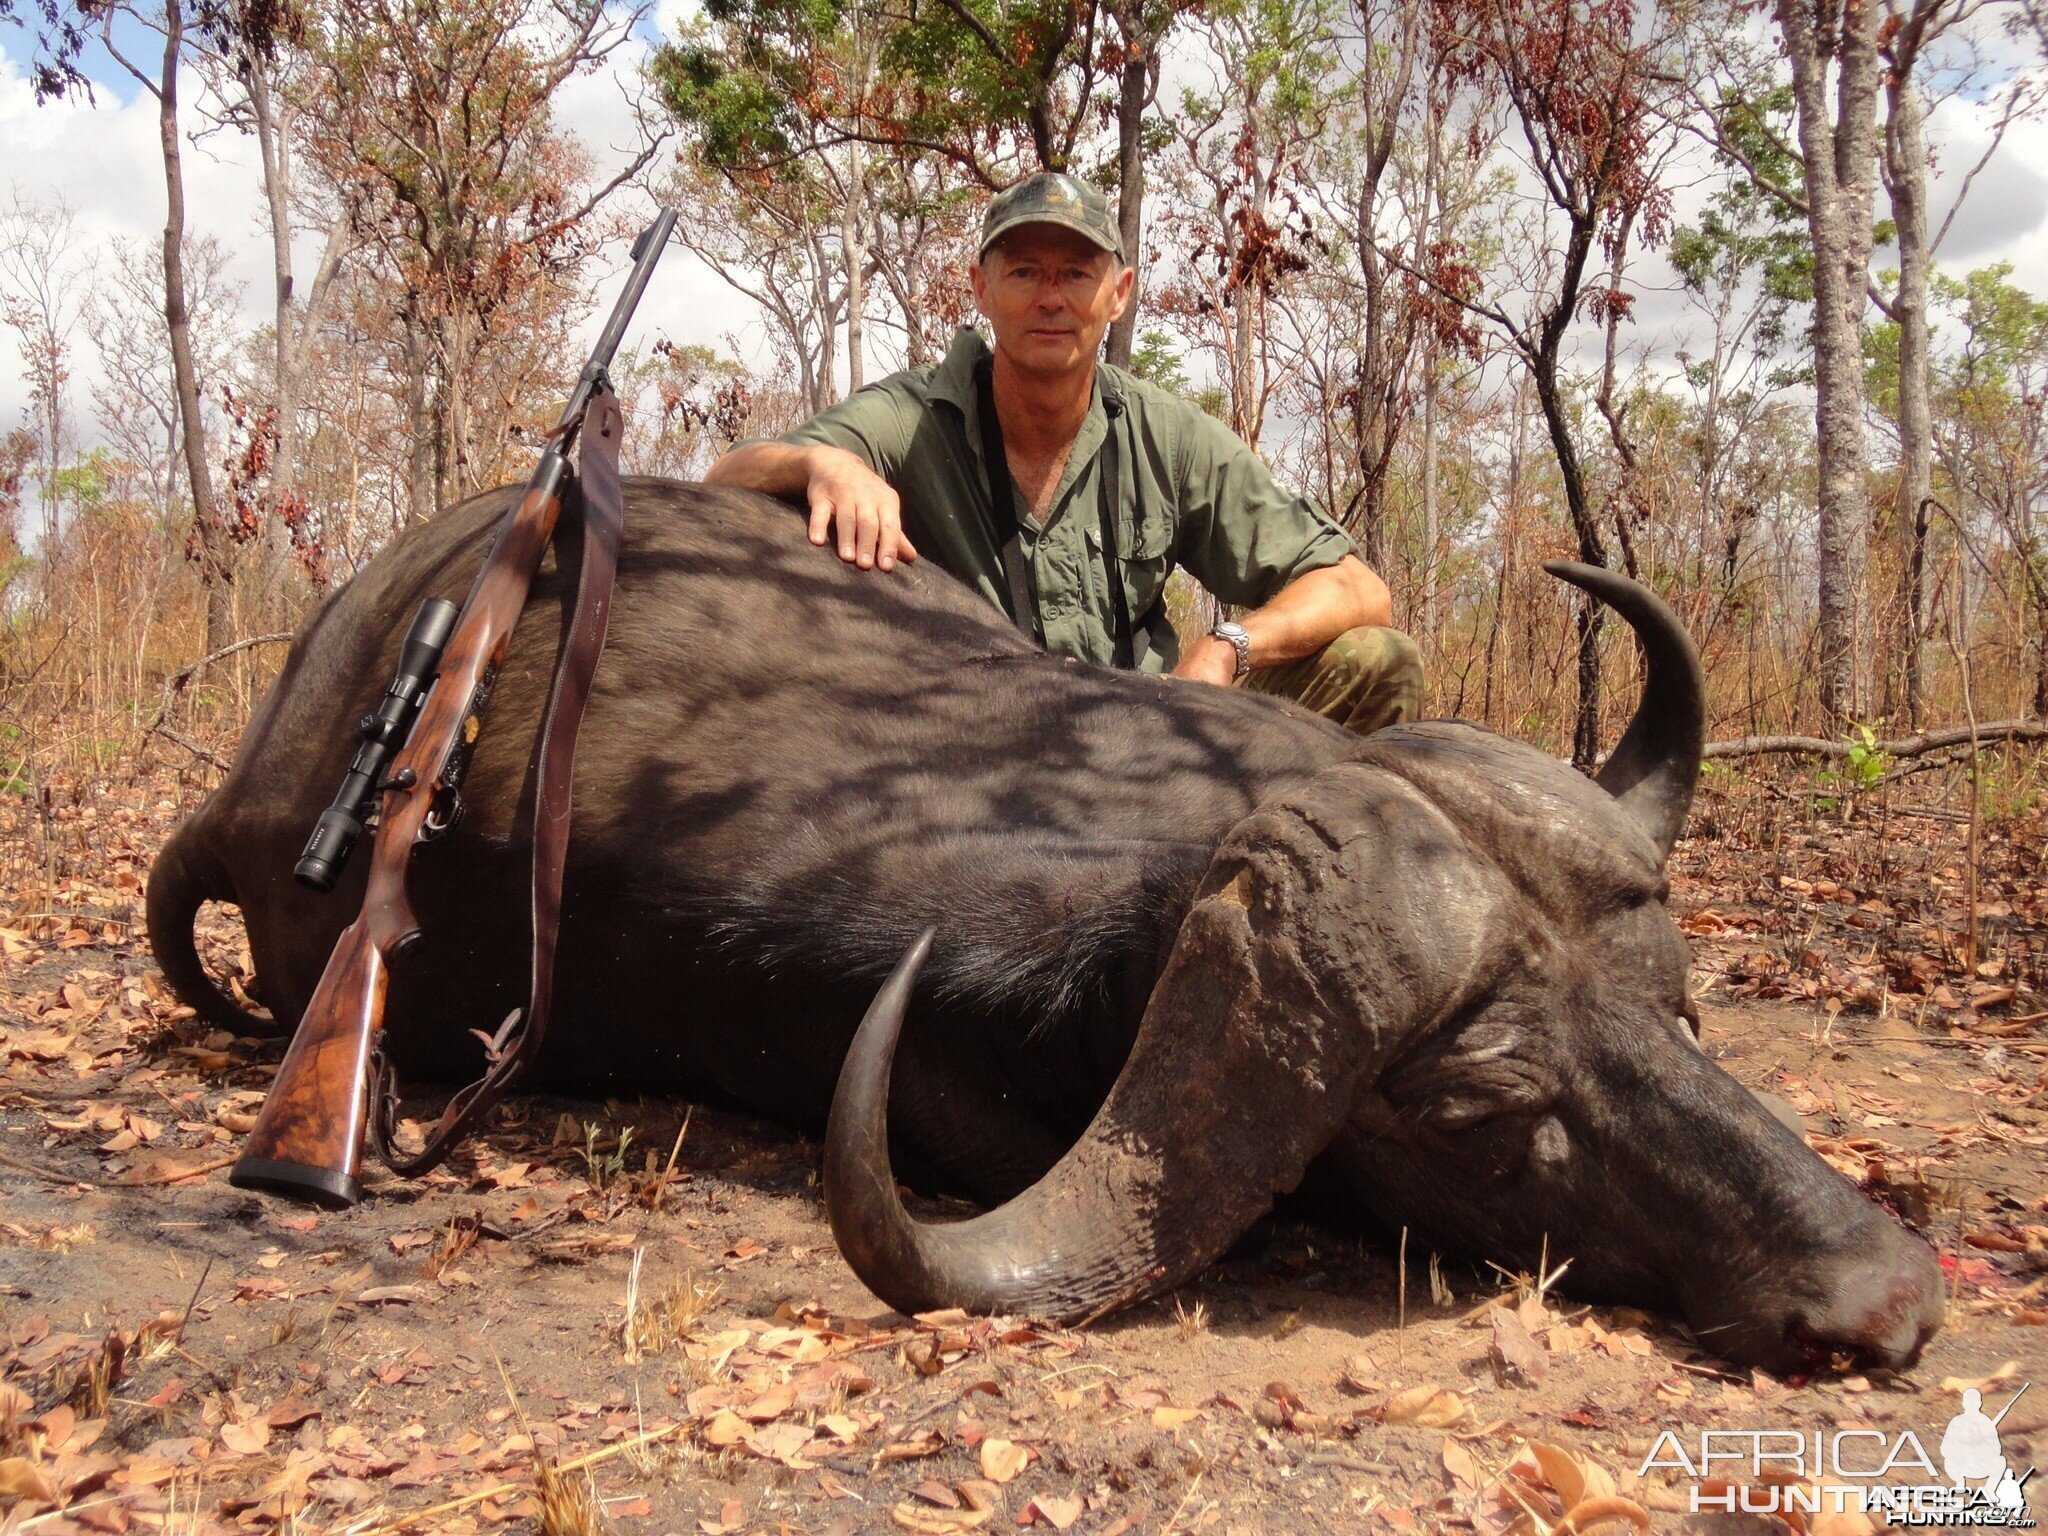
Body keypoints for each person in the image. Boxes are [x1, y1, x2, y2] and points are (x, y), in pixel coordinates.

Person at [705, 171, 1423, 736]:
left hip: (1150, 740)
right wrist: (821, 464)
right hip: (967, 752)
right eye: (1024, 273)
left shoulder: (1165, 433)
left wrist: (1231, 645)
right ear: (981, 289)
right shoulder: (913, 417)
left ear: (1118, 294)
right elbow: (725, 479)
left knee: (1378, 662)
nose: (1051, 298)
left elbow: (1361, 589)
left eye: (1076, 274)